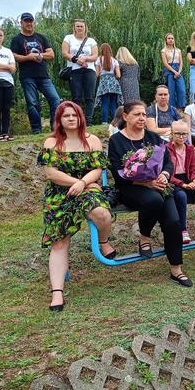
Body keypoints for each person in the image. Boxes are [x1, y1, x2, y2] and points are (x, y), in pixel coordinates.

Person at [39, 101, 114, 310]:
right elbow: (51, 174)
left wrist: (82, 183)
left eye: (75, 115)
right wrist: (75, 183)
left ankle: (104, 241)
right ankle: (57, 293)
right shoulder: (51, 142)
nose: (71, 119)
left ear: (81, 117)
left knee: (102, 214)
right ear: (59, 120)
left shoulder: (93, 141)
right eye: (66, 116)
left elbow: (98, 170)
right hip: (59, 193)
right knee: (59, 243)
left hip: (87, 186)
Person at [108, 100, 192, 287]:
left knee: (173, 222)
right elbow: (117, 172)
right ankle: (145, 236)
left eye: (144, 115)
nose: (142, 118)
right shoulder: (116, 141)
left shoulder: (153, 137)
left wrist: (163, 174)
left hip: (159, 185)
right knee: (153, 200)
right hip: (131, 187)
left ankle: (176, 270)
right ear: (125, 116)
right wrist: (146, 182)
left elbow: (168, 162)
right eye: (137, 114)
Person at [11, 12, 61, 134]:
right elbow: (13, 56)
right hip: (27, 76)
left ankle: (55, 128)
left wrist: (39, 55)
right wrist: (28, 57)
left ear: (34, 23)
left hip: (44, 76)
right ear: (21, 23)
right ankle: (36, 129)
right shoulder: (16, 39)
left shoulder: (41, 37)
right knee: (33, 103)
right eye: (26, 21)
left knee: (55, 99)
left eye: (31, 21)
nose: (29, 24)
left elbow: (51, 54)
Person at [62, 19, 97, 125]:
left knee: (89, 96)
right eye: (78, 26)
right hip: (74, 70)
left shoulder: (91, 41)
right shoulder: (68, 38)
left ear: (85, 28)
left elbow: (95, 56)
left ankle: (88, 120)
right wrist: (78, 60)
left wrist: (85, 59)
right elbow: (65, 53)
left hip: (89, 70)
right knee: (76, 96)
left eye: (82, 26)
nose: (80, 28)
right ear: (74, 28)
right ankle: (78, 120)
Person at [94, 43, 123, 124]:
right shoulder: (114, 60)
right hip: (113, 83)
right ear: (110, 50)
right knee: (113, 104)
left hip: (103, 83)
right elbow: (118, 75)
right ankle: (115, 122)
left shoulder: (98, 60)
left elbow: (97, 74)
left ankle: (104, 122)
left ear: (101, 50)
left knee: (105, 103)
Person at [161, 33, 186, 111]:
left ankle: (181, 108)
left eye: (172, 38)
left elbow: (181, 62)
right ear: (166, 40)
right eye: (169, 38)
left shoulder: (178, 50)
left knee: (181, 89)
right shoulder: (163, 51)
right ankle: (172, 108)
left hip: (178, 70)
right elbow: (165, 63)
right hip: (169, 70)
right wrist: (174, 72)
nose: (171, 40)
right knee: (171, 90)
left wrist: (178, 72)